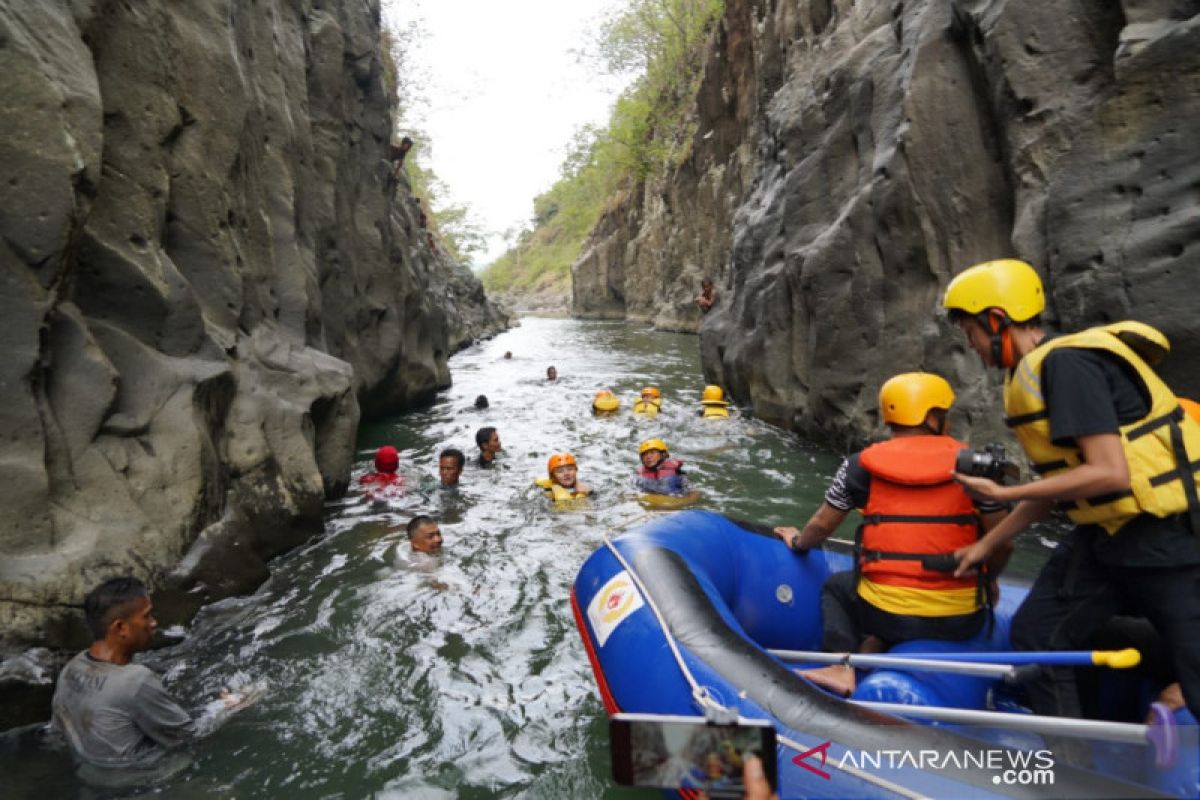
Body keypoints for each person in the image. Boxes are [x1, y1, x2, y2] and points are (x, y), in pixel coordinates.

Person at [943, 258, 1200, 723]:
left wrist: (1001, 497)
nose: (971, 346)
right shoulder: (1034, 373)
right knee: (1038, 637)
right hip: (1107, 537)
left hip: (1168, 538)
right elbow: (1057, 486)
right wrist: (986, 544)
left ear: (997, 320)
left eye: (971, 333)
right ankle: (1074, 768)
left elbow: (1110, 472)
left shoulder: (1068, 365)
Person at [773, 373, 1009, 696]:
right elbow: (1004, 541)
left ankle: (841, 666)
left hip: (884, 615)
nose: (948, 421)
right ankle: (868, 655)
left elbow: (822, 525)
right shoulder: (977, 467)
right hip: (960, 618)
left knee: (837, 587)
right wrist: (990, 578)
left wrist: (799, 542)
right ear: (930, 417)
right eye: (944, 414)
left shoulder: (858, 466)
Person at [49, 578, 245, 781]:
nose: (154, 623)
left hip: (91, 776)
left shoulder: (71, 669)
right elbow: (189, 737)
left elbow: (59, 733)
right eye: (147, 616)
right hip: (141, 780)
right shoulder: (135, 680)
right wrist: (225, 708)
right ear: (120, 628)